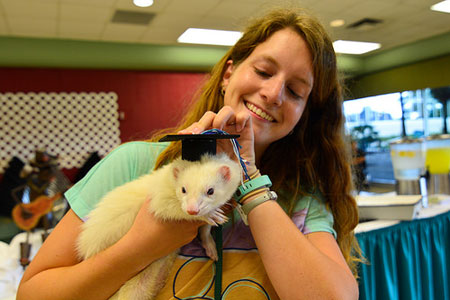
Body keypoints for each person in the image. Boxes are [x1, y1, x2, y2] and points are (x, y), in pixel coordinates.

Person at [17, 6, 361, 300]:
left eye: (295, 90)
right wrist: (142, 245)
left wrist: (252, 181)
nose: (273, 94)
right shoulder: (133, 163)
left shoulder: (301, 197)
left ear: (305, 113)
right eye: (263, 71)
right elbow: (32, 292)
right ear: (228, 74)